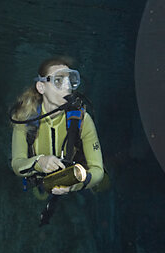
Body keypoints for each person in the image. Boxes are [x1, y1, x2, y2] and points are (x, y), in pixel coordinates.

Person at [10, 57, 107, 200]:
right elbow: (17, 164)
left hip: (74, 180)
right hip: (38, 186)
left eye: (70, 80)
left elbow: (98, 170)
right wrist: (39, 162)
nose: (67, 87)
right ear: (41, 87)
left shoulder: (83, 120)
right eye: (58, 81)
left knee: (105, 184)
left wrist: (75, 184)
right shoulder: (24, 118)